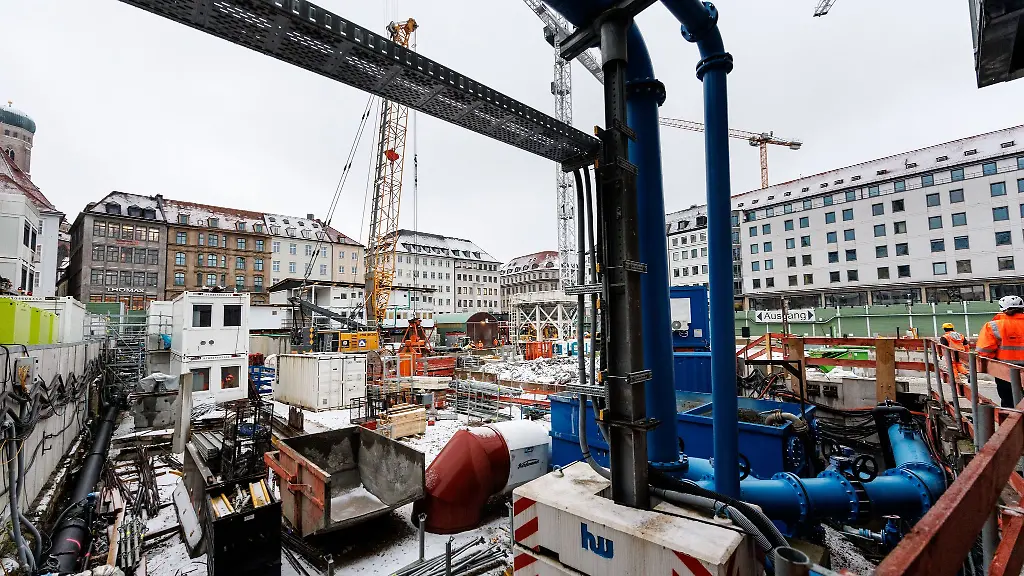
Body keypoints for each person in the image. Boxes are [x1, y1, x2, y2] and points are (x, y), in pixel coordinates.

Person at [977, 295, 1024, 408]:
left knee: (1008, 401)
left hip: (1003, 370)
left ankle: (1011, 417)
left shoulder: (993, 326)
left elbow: (984, 351)